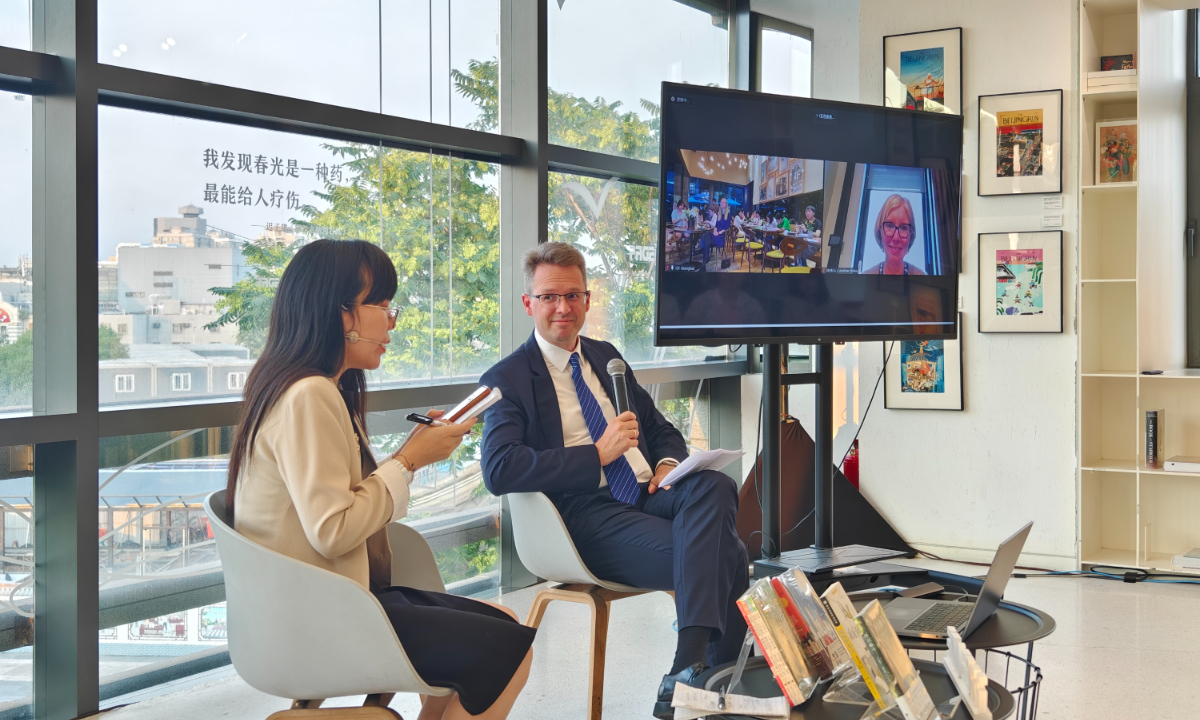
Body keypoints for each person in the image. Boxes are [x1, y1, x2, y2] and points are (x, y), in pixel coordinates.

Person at [229, 239, 534, 720]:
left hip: (313, 604)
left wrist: (410, 454)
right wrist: (409, 461)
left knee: (506, 625)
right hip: (326, 615)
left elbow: (337, 502)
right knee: (508, 649)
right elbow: (332, 531)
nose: (392, 321)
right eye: (383, 305)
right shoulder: (310, 394)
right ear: (343, 315)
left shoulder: (297, 384)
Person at [479, 243, 748, 720]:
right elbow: (500, 468)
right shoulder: (509, 378)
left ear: (587, 298)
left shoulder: (606, 357)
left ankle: (691, 673)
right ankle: (703, 676)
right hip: (584, 514)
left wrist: (666, 463)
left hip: (647, 492)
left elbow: (659, 428)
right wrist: (594, 455)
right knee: (729, 553)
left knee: (716, 486)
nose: (562, 308)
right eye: (549, 297)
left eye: (572, 295)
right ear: (529, 304)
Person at [862, 194, 926, 275]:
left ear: (911, 235)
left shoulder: (921, 278)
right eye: (889, 226)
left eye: (903, 228)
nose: (896, 238)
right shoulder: (865, 278)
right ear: (880, 230)